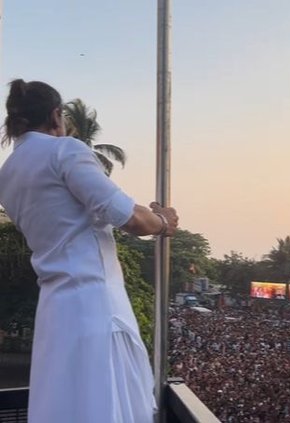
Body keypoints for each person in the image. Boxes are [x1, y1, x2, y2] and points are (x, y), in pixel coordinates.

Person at [0, 79, 178, 423]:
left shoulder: (7, 173)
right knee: (105, 403)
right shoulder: (64, 150)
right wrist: (163, 221)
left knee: (66, 404)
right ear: (56, 115)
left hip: (55, 308)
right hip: (95, 303)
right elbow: (130, 218)